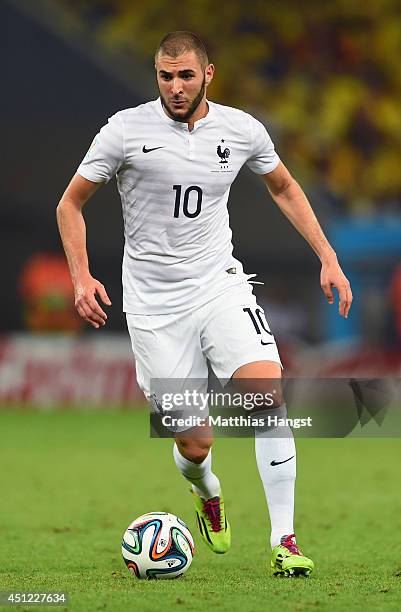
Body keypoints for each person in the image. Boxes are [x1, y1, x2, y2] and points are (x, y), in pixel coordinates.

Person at [57, 31, 352, 577]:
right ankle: (207, 491)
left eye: (185, 76)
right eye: (165, 76)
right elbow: (70, 204)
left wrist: (327, 257)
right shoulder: (124, 130)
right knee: (196, 443)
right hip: (154, 306)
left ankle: (284, 540)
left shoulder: (241, 129)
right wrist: (81, 278)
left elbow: (284, 187)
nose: (175, 87)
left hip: (220, 284)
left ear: (208, 74)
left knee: (266, 394)